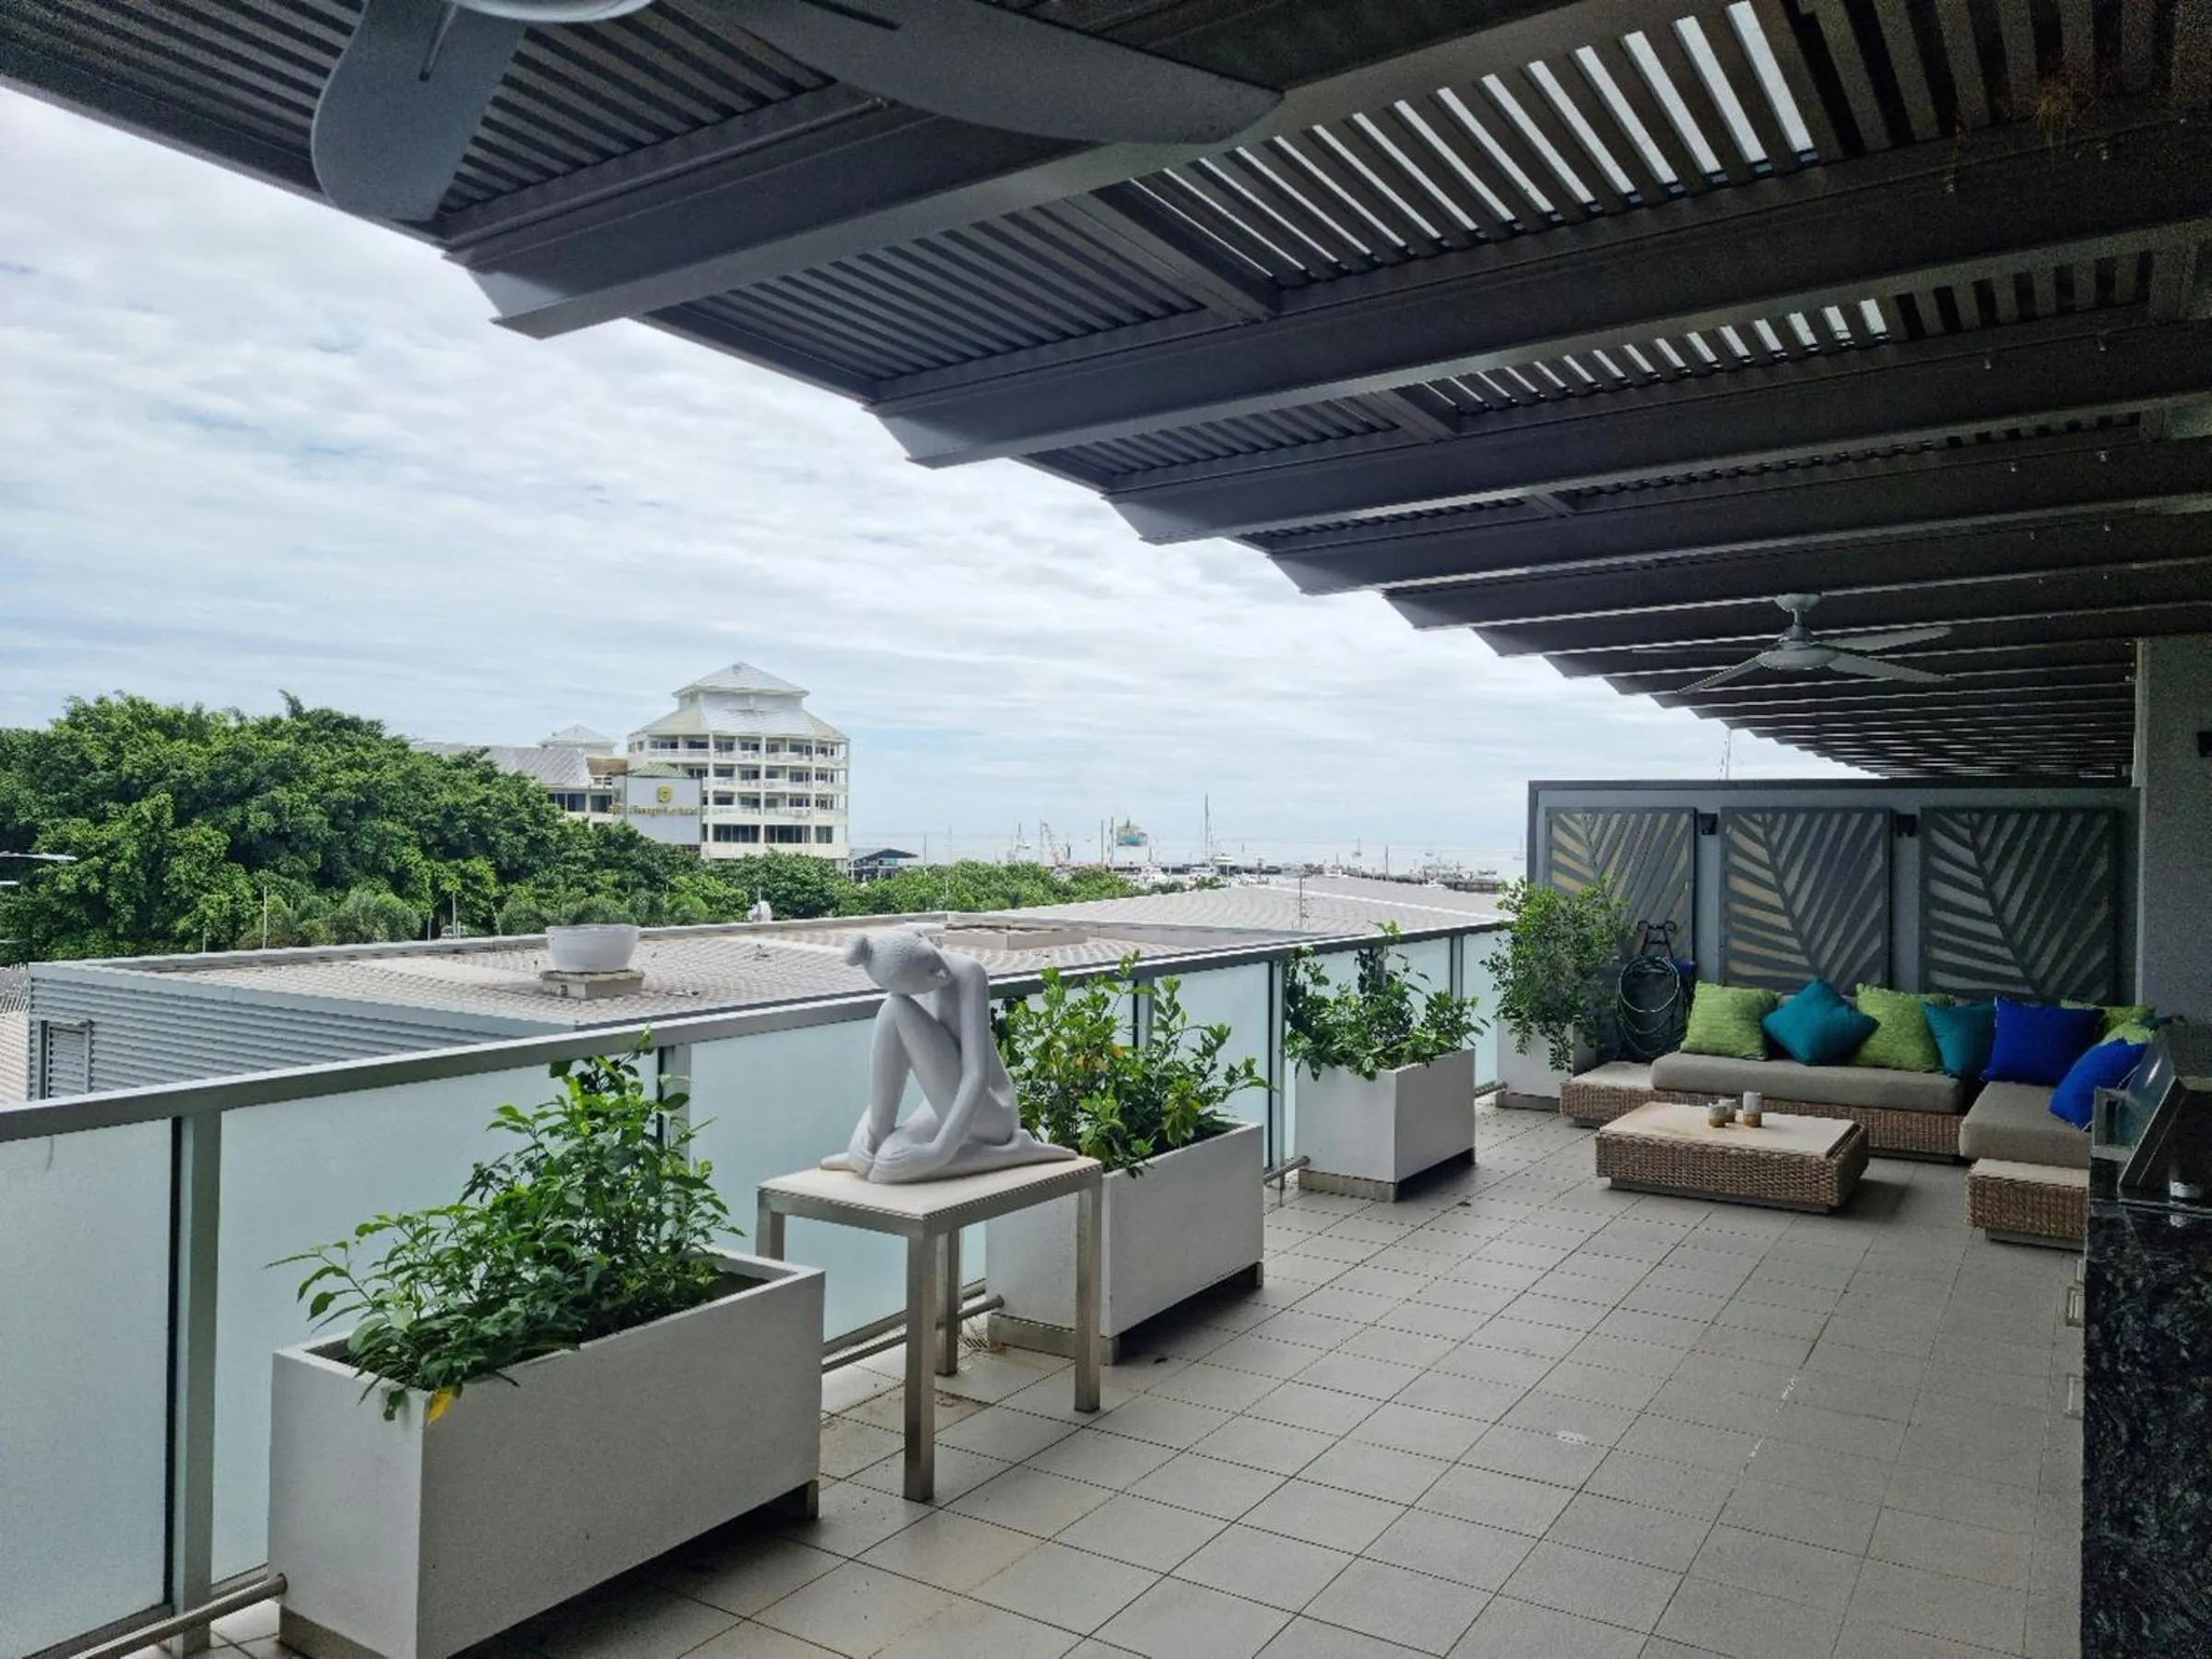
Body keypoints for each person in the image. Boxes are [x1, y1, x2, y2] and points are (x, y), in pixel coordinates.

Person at [822, 927, 1075, 1183]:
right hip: (943, 1104)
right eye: (929, 977)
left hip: (990, 1111)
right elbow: (887, 1080)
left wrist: (937, 1152)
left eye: (934, 961)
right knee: (886, 1160)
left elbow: (976, 1076)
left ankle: (1009, 1151)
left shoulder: (969, 973)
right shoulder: (903, 995)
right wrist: (865, 1138)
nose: (941, 972)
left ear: (922, 938)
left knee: (891, 1169)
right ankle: (873, 1142)